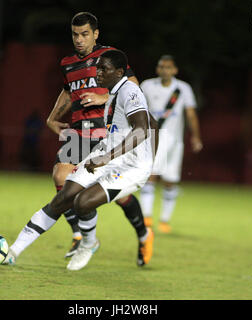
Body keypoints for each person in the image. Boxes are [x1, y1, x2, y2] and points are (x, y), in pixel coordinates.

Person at [4, 50, 155, 271]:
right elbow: (152, 122)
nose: (98, 73)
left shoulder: (130, 91)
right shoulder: (113, 91)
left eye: (104, 69)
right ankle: (13, 251)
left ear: (120, 72)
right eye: (98, 67)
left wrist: (142, 162)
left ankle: (88, 242)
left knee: (82, 202)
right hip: (106, 151)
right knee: (63, 197)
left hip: (130, 165)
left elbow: (142, 130)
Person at [45, 12, 151, 259]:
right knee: (60, 176)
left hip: (107, 133)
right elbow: (67, 92)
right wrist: (51, 118)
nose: (79, 39)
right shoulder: (67, 63)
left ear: (95, 34)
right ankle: (80, 236)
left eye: (84, 34)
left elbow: (133, 85)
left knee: (120, 196)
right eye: (75, 34)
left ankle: (143, 235)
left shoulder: (109, 57)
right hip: (79, 131)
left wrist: (104, 97)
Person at [139, 55, 203, 233]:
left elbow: (190, 114)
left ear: (175, 70)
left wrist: (196, 136)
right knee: (151, 175)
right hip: (154, 137)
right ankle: (147, 217)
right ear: (157, 69)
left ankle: (165, 220)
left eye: (168, 67)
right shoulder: (147, 86)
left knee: (170, 180)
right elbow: (138, 110)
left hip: (175, 142)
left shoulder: (183, 88)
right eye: (161, 67)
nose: (165, 70)